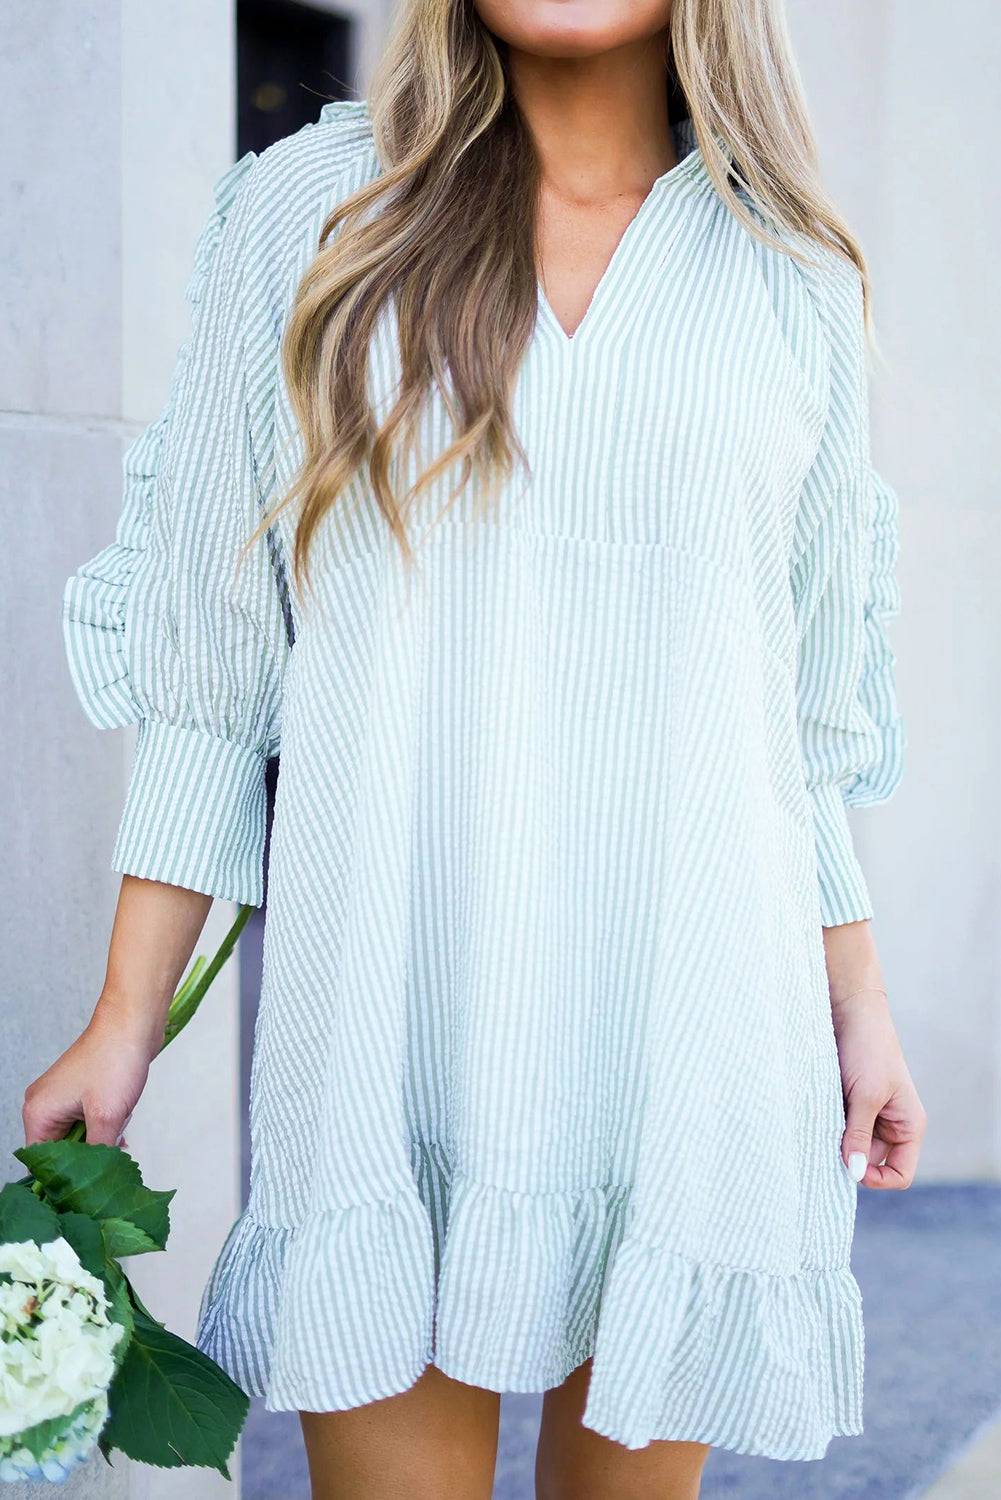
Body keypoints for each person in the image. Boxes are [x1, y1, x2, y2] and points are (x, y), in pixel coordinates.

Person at [26, 2, 926, 1496]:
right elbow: (209, 663)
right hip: (386, 1026)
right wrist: (127, 1014)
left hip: (688, 1031)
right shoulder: (315, 216)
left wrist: (860, 1002)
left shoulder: (789, 272)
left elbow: (806, 713)